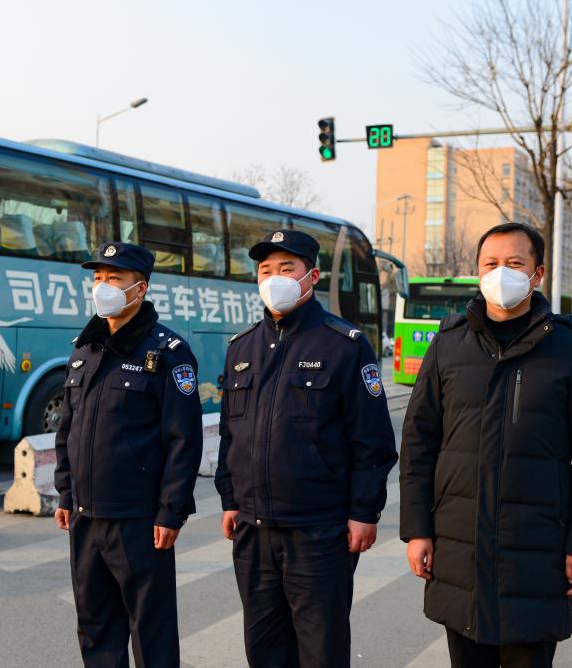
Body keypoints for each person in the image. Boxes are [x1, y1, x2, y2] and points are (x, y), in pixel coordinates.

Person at [400, 222, 572, 668]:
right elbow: (418, 444)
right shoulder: (448, 344)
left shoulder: (571, 350)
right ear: (478, 271)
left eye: (515, 263)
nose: (501, 273)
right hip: (459, 548)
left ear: (538, 274)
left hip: (537, 550)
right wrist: (417, 529)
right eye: (491, 263)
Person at [215, 229, 398, 668]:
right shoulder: (242, 348)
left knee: (321, 651)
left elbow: (372, 439)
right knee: (265, 650)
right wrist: (230, 499)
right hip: (253, 530)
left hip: (319, 532)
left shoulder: (343, 344)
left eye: (286, 268)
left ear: (311, 276)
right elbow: (230, 433)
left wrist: (364, 512)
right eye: (265, 270)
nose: (274, 278)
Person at [53, 242, 203, 667]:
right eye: (98, 278)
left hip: (139, 520)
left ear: (140, 288)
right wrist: (65, 492)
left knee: (151, 630)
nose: (103, 286)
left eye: (114, 278)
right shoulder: (85, 349)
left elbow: (184, 439)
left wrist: (171, 512)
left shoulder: (168, 353)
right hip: (86, 516)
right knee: (96, 626)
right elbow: (67, 428)